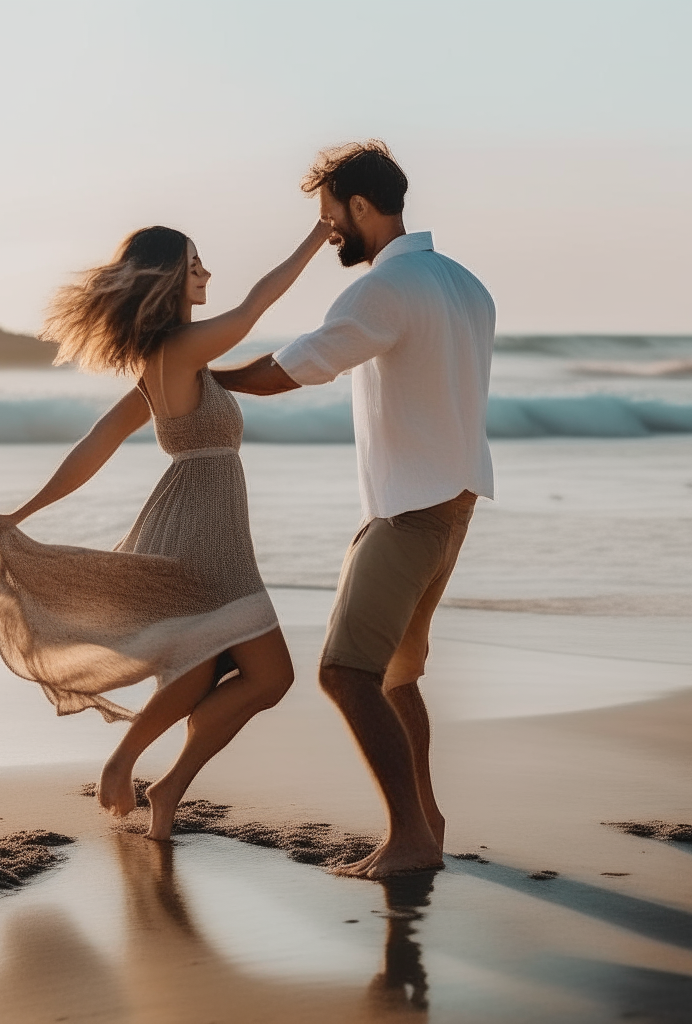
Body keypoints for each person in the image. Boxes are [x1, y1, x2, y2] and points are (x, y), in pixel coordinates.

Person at [0, 219, 331, 841]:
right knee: (269, 676)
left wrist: (20, 513)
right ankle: (126, 763)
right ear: (170, 277)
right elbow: (258, 303)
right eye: (194, 263)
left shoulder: (173, 360)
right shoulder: (177, 352)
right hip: (204, 534)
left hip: (202, 524)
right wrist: (321, 233)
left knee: (221, 672)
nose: (205, 273)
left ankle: (167, 788)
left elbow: (95, 445)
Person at [212, 141, 495, 879]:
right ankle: (425, 822)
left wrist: (204, 379)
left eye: (330, 214)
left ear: (360, 207)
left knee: (345, 672)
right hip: (453, 500)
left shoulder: (385, 289)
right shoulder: (466, 285)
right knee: (396, 675)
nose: (329, 227)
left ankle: (408, 837)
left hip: (410, 510)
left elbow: (294, 367)